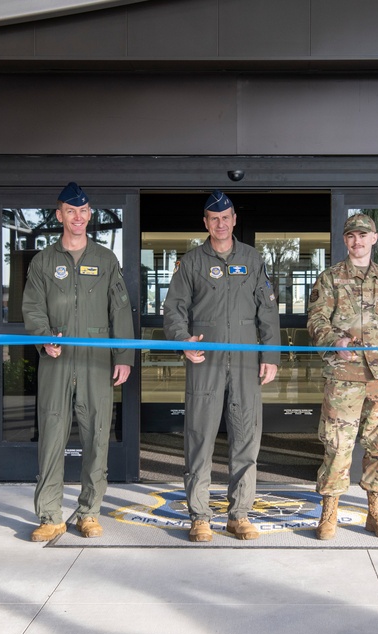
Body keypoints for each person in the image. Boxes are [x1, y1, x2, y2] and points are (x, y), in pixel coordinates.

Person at [162, 190, 281, 542]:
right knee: (199, 436)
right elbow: (174, 308)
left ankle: (239, 514)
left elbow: (267, 310)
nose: (221, 223)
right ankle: (199, 516)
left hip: (246, 361)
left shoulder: (252, 258)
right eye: (214, 218)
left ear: (234, 220)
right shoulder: (192, 262)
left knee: (246, 437)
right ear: (205, 223)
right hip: (206, 360)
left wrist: (270, 356)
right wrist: (183, 340)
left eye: (226, 217)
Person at [21, 182, 134, 542]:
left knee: (97, 435)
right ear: (60, 216)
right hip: (56, 361)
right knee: (52, 436)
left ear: (89, 215)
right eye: (71, 211)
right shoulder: (43, 261)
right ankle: (50, 515)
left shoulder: (105, 260)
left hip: (97, 361)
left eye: (83, 211)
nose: (78, 217)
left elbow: (120, 309)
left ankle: (88, 511)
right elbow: (32, 307)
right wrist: (43, 337)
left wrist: (124, 356)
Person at [307, 213, 378, 540]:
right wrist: (334, 341)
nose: (357, 241)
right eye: (351, 236)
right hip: (344, 375)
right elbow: (315, 320)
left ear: (374, 238)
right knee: (338, 445)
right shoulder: (330, 279)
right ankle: (329, 514)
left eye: (363, 236)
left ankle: (376, 513)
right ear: (345, 240)